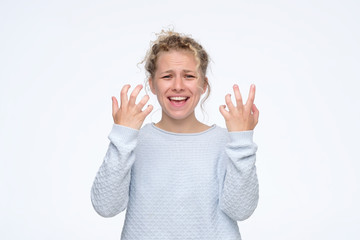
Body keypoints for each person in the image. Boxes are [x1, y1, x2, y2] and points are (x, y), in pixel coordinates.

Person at [91, 30, 259, 240]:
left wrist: (242, 141)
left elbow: (241, 210)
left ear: (203, 85)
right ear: (152, 84)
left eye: (189, 76)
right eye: (167, 76)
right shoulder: (132, 142)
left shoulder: (227, 143)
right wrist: (122, 136)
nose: (178, 86)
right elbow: (106, 207)